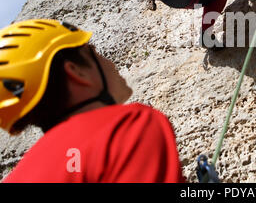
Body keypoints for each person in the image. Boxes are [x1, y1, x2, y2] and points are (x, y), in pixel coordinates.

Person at [0, 19, 184, 183]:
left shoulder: (17, 177)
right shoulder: (126, 126)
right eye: (94, 51)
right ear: (76, 71)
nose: (110, 62)